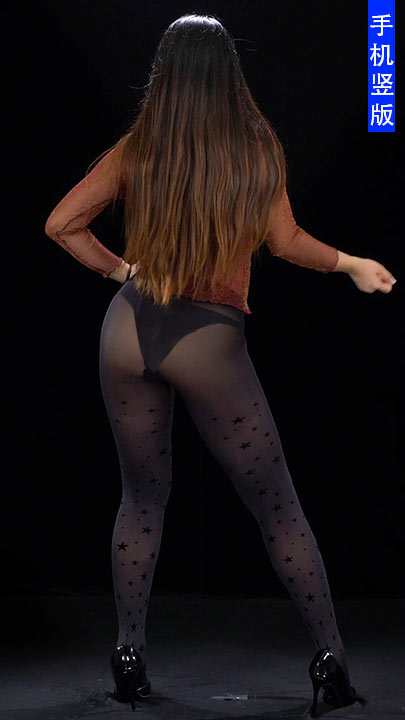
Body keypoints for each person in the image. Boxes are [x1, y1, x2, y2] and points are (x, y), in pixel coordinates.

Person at [44, 12, 396, 717]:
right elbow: (285, 241)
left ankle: (128, 658)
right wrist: (353, 263)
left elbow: (61, 224)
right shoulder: (255, 148)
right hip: (205, 339)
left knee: (141, 498)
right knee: (277, 507)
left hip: (127, 331)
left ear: (166, 76)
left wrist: (121, 273)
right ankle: (329, 665)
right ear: (228, 75)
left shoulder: (142, 145)